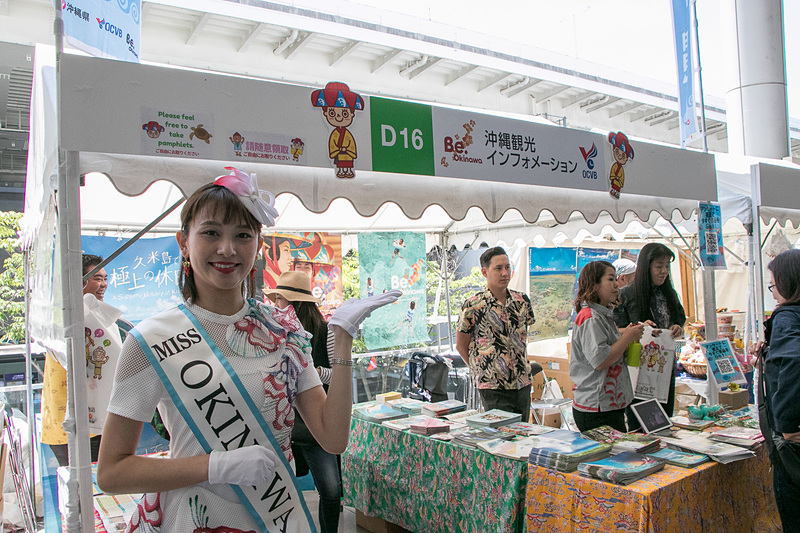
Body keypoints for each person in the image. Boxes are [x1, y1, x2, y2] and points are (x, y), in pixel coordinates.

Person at [97, 168, 400, 532]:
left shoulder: (283, 330)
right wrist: (216, 466)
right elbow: (112, 472)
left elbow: (333, 439)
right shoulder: (149, 340)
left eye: (243, 235)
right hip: (194, 518)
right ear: (183, 242)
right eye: (211, 232)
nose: (228, 249)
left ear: (257, 243)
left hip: (276, 518)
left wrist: (343, 338)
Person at [264, 271, 342, 533]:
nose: (276, 306)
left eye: (280, 300)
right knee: (272, 491)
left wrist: (311, 371)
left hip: (313, 427)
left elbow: (337, 375)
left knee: (331, 490)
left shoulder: (325, 331)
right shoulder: (272, 331)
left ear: (294, 304)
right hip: (280, 424)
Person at [41, 254, 132, 466]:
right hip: (70, 425)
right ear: (79, 280)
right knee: (83, 488)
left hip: (94, 420)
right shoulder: (64, 317)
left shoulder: (97, 315)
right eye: (97, 278)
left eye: (105, 278)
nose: (104, 285)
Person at [456, 247, 535, 417]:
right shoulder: (473, 305)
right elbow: (461, 345)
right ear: (485, 272)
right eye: (498, 268)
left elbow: (523, 336)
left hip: (522, 382)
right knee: (501, 437)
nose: (505, 273)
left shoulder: (522, 301)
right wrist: (480, 369)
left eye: (507, 267)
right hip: (492, 385)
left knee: (522, 435)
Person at [614, 243, 685, 424]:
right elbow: (614, 331)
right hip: (638, 370)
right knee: (640, 422)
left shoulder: (669, 293)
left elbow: (680, 319)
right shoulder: (626, 294)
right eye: (659, 266)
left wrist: (677, 327)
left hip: (665, 366)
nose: (664, 271)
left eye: (667, 266)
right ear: (646, 266)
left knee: (663, 420)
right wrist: (637, 328)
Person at [570, 261, 644, 433]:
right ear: (594, 285)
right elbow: (600, 360)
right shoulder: (591, 318)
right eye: (610, 279)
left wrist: (628, 336)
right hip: (597, 407)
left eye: (616, 279)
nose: (617, 285)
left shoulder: (602, 315)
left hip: (607, 403)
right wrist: (626, 338)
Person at [757, 249, 800, 529]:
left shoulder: (786, 316)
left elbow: (795, 360)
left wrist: (787, 422)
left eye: (773, 285)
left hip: (791, 438)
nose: (772, 293)